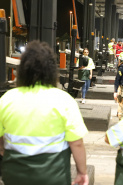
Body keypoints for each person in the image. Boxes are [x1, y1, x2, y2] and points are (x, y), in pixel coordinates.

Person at [0, 41, 89, 185]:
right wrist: (82, 172)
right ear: (52, 71)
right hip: (53, 175)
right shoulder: (64, 100)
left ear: (22, 70)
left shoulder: (7, 99)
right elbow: (77, 143)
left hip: (14, 174)